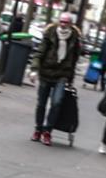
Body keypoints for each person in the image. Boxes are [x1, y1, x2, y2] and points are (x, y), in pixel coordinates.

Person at [31, 11, 82, 146]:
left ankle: (47, 131)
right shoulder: (50, 33)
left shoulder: (75, 38)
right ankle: (38, 129)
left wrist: (70, 78)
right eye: (61, 21)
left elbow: (75, 59)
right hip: (46, 73)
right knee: (41, 103)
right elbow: (40, 52)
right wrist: (34, 69)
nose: (63, 24)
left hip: (62, 75)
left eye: (66, 22)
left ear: (71, 24)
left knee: (57, 102)